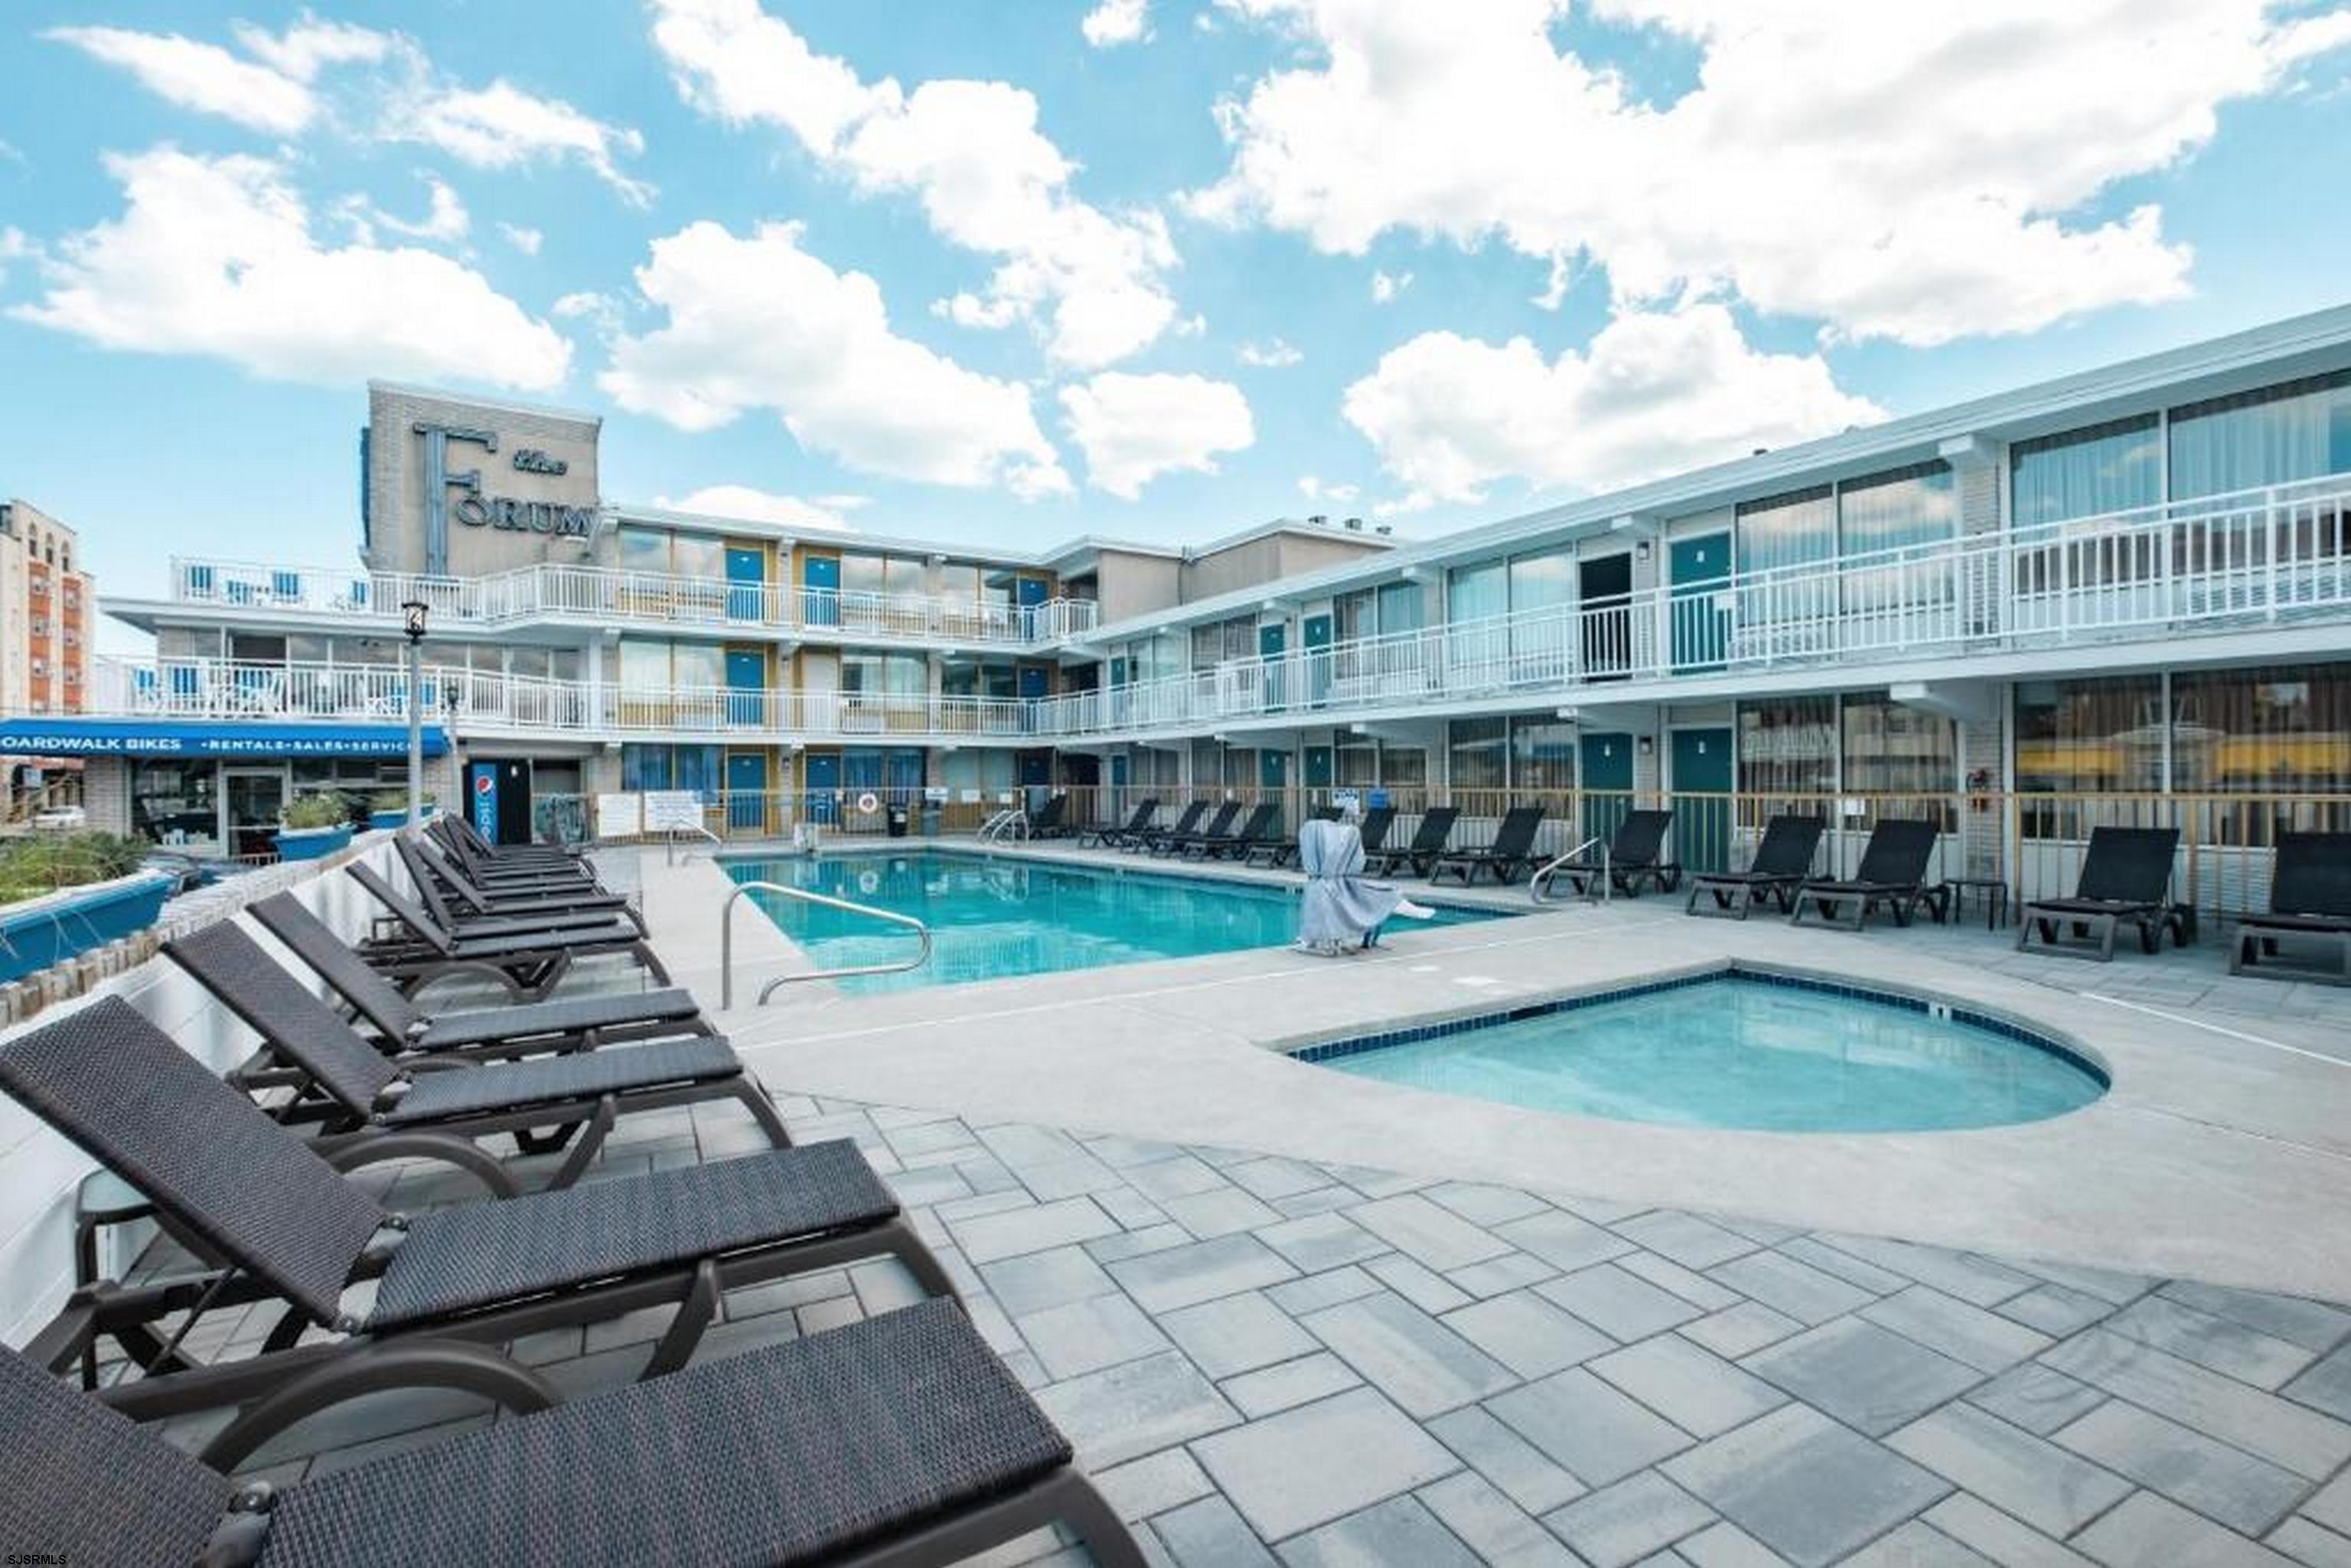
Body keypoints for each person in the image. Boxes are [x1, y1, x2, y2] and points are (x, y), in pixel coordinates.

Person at [1296, 801, 1434, 954]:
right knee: (1381, 895)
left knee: (1383, 893)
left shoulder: (1324, 879)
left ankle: (1403, 907)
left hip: (1341, 884)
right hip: (1340, 886)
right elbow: (1357, 863)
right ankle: (1402, 908)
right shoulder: (1328, 881)